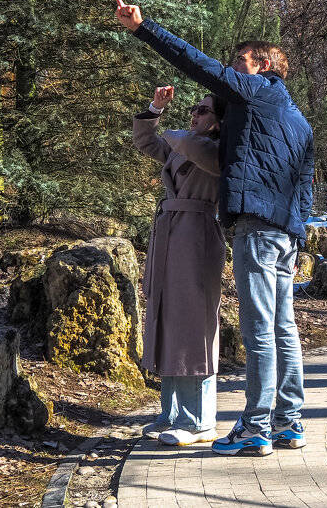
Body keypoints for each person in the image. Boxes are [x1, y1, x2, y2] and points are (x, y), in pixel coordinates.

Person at [115, 0, 314, 458]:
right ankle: (289, 422)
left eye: (239, 61)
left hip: (258, 229)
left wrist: (143, 28)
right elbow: (304, 184)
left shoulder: (256, 91)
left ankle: (255, 427)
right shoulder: (297, 121)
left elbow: (198, 65)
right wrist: (299, 236)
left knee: (259, 329)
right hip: (284, 232)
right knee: (283, 328)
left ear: (264, 65)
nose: (230, 68)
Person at [133, 87, 227, 446]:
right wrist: (156, 108)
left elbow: (185, 143)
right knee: (169, 323)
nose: (194, 114)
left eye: (203, 111)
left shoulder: (216, 149)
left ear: (219, 122)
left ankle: (199, 420)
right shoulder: (184, 146)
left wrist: (174, 131)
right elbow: (145, 141)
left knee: (194, 327)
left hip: (197, 237)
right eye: (194, 109)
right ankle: (172, 414)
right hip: (171, 236)